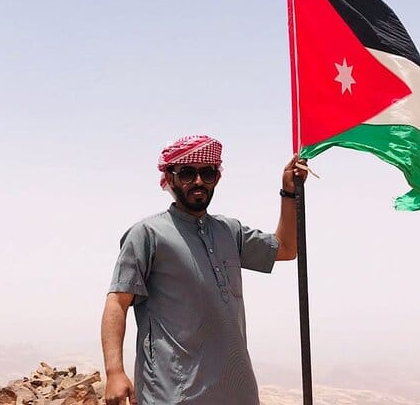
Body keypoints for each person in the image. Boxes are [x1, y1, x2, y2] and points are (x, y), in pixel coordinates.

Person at [101, 135, 307, 405]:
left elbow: (287, 249)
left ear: (217, 178)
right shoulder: (147, 234)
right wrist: (114, 372)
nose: (198, 181)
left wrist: (289, 192)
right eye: (187, 173)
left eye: (207, 173)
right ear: (170, 178)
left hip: (237, 392)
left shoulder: (229, 231)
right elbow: (117, 301)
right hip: (171, 393)